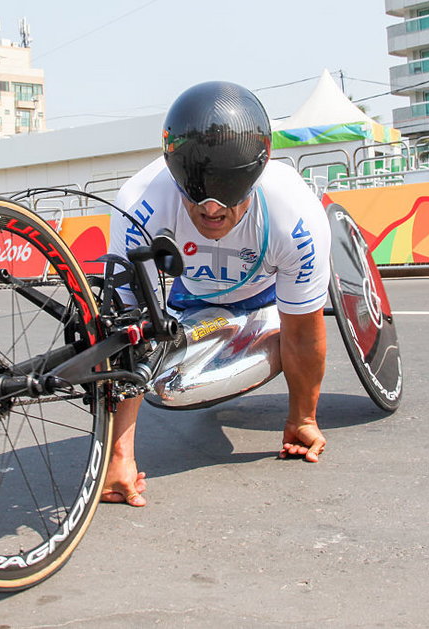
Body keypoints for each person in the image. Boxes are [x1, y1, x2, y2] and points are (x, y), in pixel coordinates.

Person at [103, 81, 332, 507]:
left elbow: (303, 331)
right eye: (197, 197)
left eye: (228, 198)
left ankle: (261, 335)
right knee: (166, 387)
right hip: (190, 295)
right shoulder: (139, 202)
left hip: (267, 297)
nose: (211, 210)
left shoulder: (294, 214)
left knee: (294, 322)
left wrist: (303, 417)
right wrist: (120, 456)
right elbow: (125, 335)